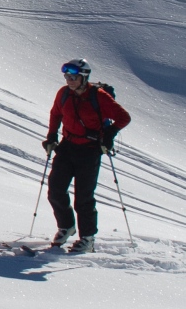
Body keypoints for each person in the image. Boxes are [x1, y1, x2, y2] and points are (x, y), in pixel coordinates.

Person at [42, 59, 130, 253]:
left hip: (89, 151)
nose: (69, 80)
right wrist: (51, 135)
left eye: (74, 77)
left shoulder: (99, 97)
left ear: (84, 77)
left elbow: (124, 117)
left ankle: (88, 239)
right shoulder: (64, 94)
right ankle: (66, 227)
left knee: (83, 197)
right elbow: (56, 113)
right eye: (67, 76)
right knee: (55, 190)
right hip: (67, 147)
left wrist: (110, 133)